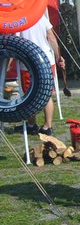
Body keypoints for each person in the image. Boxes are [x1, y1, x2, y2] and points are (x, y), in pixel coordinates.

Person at [12, 9, 62, 137]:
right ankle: (47, 126)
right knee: (47, 95)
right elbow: (51, 37)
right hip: (46, 59)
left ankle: (31, 125)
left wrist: (8, 63)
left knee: (29, 96)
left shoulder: (19, 21)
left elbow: (15, 43)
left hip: (28, 62)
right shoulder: (40, 17)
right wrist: (58, 56)